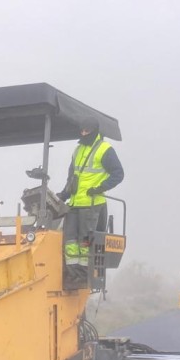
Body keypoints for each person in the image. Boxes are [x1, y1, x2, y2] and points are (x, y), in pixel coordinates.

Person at [57, 117, 124, 277]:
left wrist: (100, 188)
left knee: (85, 241)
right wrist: (64, 194)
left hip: (92, 204)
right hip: (75, 203)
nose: (83, 133)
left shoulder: (105, 149)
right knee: (70, 241)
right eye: (82, 131)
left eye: (87, 131)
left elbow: (118, 174)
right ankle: (73, 273)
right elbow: (72, 177)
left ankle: (85, 273)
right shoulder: (77, 150)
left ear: (94, 131)